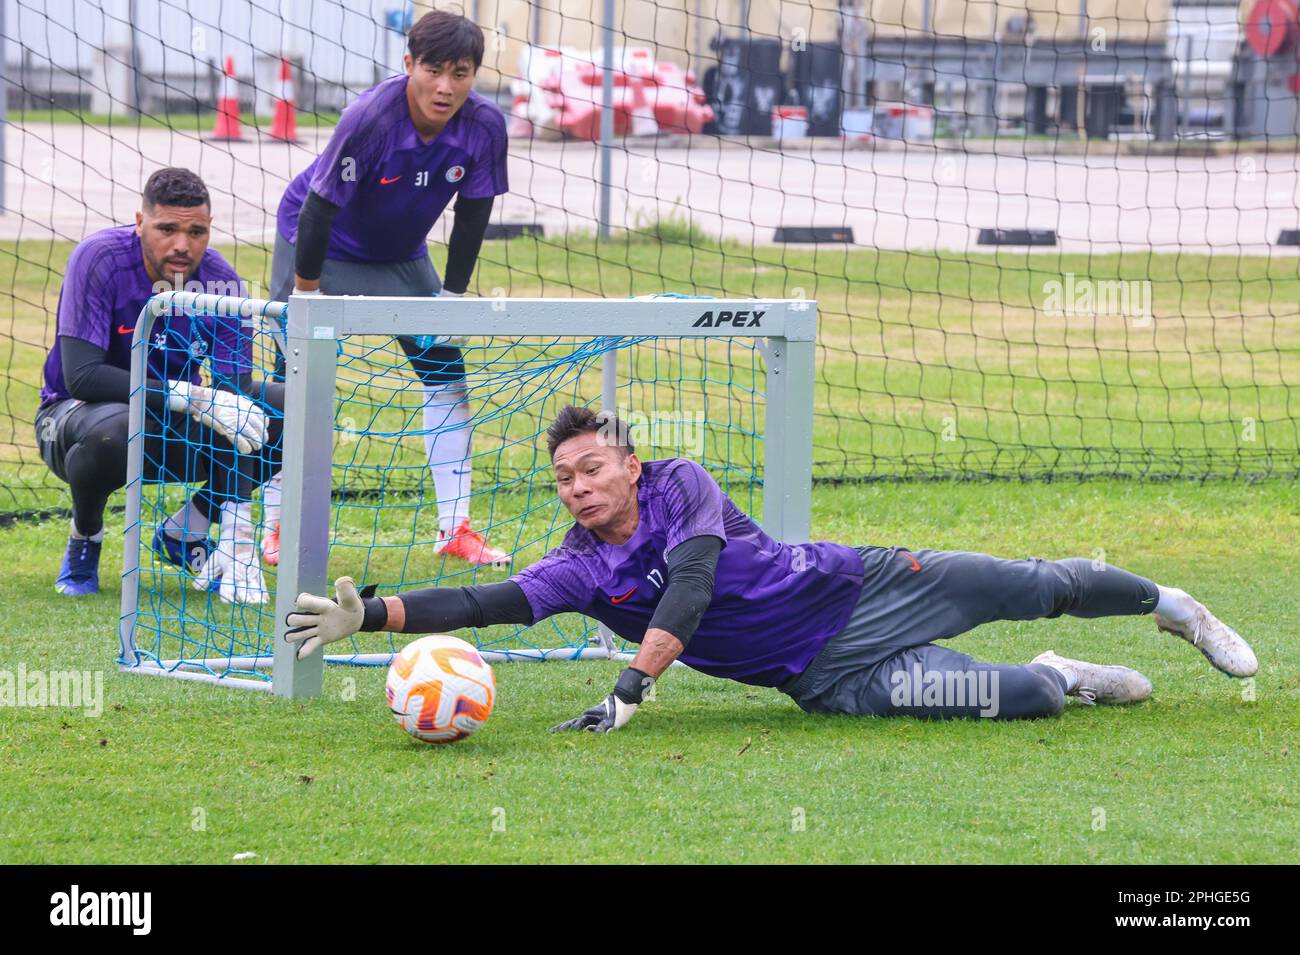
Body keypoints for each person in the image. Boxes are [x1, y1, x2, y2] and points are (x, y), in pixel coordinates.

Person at [285, 405, 1258, 731]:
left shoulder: (681, 486)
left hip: (865, 583)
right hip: (826, 677)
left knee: (1033, 581)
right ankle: (1059, 674)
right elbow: (487, 599)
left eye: (593, 469)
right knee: (1026, 702)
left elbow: (694, 584)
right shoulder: (580, 567)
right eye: (563, 479)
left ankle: (1173, 606)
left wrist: (631, 688)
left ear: (628, 462)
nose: (578, 489)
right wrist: (370, 617)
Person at [264, 8, 510, 568]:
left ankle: (456, 530)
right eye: (433, 71)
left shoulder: (485, 125)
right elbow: (319, 209)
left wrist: (449, 301)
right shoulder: (371, 116)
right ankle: (278, 526)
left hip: (400, 256)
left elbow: (473, 214)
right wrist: (307, 296)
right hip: (318, 244)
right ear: (408, 65)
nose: (446, 87)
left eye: (461, 72)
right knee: (296, 382)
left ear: (474, 75)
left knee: (447, 370)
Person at [36, 167, 281, 602]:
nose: (183, 245)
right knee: (113, 428)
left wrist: (238, 532)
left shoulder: (221, 282)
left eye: (197, 231)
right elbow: (84, 376)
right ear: (139, 222)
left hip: (173, 425)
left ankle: (187, 533)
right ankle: (85, 538)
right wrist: (189, 394)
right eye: (167, 229)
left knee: (280, 410)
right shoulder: (99, 259)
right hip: (78, 419)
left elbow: (234, 395)